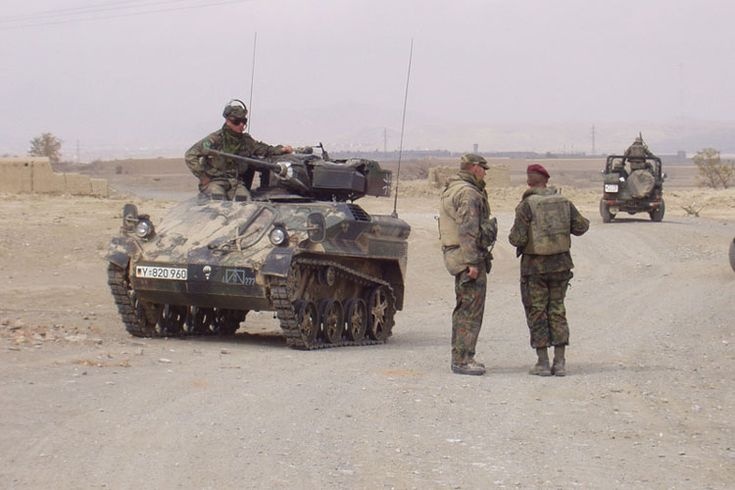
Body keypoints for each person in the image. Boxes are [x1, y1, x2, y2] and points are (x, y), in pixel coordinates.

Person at [508, 164, 589, 377]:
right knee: (557, 310)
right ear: (546, 180)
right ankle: (560, 362)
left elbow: (517, 238)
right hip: (561, 265)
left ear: (529, 181)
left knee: (537, 311)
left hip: (534, 269)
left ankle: (543, 362)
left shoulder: (526, 205)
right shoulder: (564, 202)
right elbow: (581, 227)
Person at [438, 153, 497, 376]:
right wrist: (472, 262)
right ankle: (463, 359)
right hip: (467, 258)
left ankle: (460, 357)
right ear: (474, 167)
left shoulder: (452, 188)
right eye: (483, 168)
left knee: (464, 308)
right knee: (470, 310)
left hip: (456, 255)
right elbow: (468, 229)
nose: (485, 173)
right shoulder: (468, 193)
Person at [185, 99, 293, 199]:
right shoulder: (215, 140)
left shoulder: (246, 141)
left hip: (235, 182)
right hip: (215, 181)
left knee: (246, 202)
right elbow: (190, 155)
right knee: (217, 199)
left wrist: (281, 149)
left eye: (243, 121)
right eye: (236, 122)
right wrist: (203, 177)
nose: (241, 125)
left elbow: (263, 149)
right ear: (228, 121)